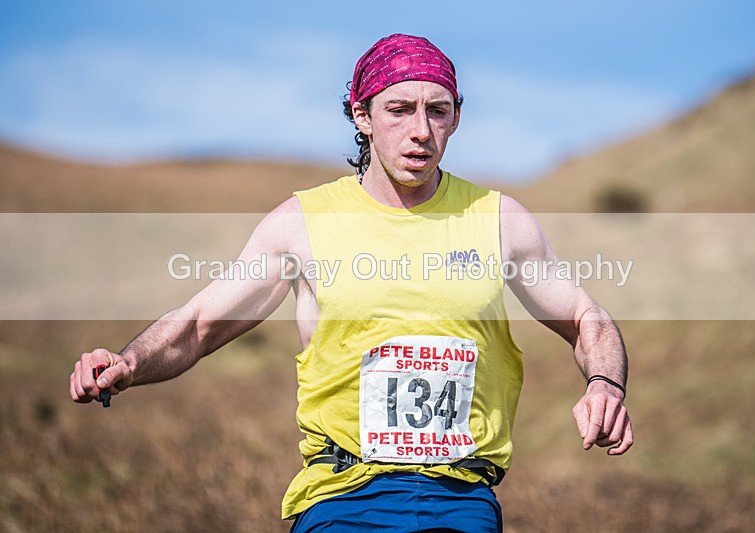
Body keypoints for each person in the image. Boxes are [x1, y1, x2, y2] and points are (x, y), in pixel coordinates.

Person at [69, 34, 633, 532]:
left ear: (456, 118)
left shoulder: (500, 219)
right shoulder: (302, 223)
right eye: (399, 110)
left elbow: (587, 317)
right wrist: (128, 363)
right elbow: (199, 324)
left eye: (437, 111)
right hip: (343, 499)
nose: (420, 131)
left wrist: (606, 383)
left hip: (463, 501)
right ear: (361, 116)